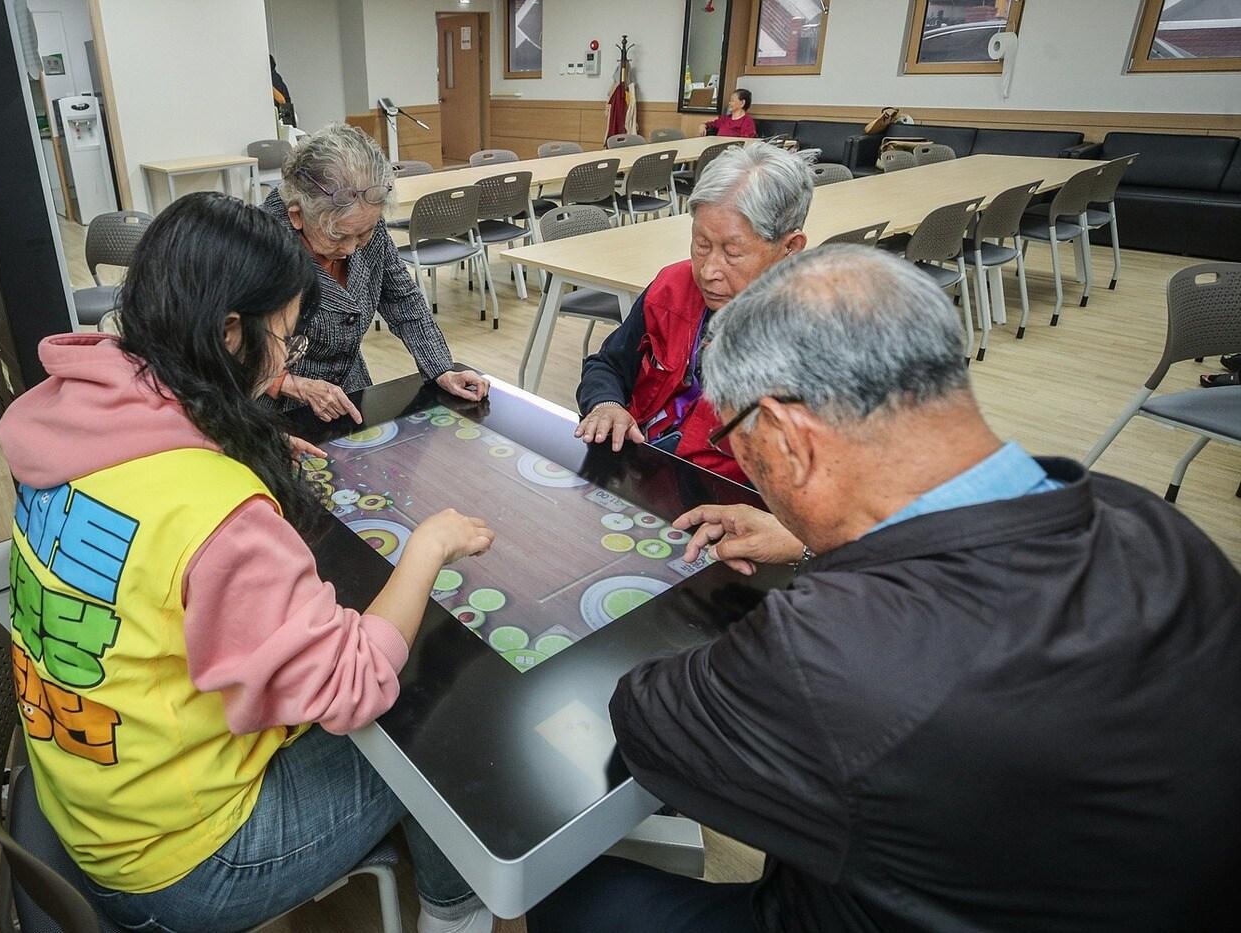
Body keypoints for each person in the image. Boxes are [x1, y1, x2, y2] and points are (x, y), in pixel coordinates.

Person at [531, 246, 1241, 933]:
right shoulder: (1156, 525)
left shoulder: (830, 653)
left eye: (741, 443)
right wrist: (813, 540)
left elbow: (648, 722)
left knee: (563, 894)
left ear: (787, 437)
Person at [0, 192, 497, 933]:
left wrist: (230, 434)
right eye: (286, 340)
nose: (287, 360)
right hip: (182, 863)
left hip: (85, 787)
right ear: (230, 333)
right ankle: (457, 914)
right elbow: (352, 683)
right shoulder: (215, 513)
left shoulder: (71, 419)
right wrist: (427, 547)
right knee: (432, 708)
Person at [573, 142, 811, 484]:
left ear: (790, 248)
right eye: (701, 245)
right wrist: (606, 403)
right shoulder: (674, 286)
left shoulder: (817, 335)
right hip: (641, 470)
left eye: (732, 252)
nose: (708, 271)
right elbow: (608, 363)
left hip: (722, 500)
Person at [262, 123, 488, 423]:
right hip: (274, 412)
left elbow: (401, 299)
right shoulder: (257, 242)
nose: (353, 248)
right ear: (297, 216)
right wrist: (288, 384)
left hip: (350, 393)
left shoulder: (362, 216)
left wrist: (442, 369)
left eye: (365, 232)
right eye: (338, 236)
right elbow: (222, 346)